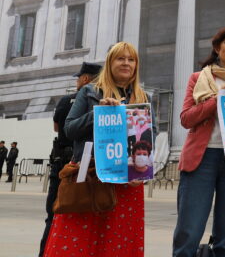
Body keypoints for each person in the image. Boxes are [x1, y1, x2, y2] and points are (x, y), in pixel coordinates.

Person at [44, 42, 149, 256]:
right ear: (110, 63)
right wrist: (97, 113)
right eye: (120, 58)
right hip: (90, 174)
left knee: (118, 241)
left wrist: (143, 171)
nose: (126, 63)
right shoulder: (89, 92)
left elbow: (150, 136)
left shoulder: (142, 97)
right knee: (77, 239)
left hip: (127, 179)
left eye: (131, 59)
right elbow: (69, 129)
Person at [172, 26, 225, 257]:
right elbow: (186, 119)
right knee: (189, 229)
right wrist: (216, 99)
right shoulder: (198, 78)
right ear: (218, 47)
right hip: (202, 158)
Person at [39, 61, 101, 256]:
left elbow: (57, 127)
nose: (77, 82)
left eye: (78, 78)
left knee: (54, 213)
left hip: (64, 161)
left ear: (85, 79)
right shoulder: (102, 101)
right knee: (83, 215)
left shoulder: (66, 100)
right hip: (85, 163)